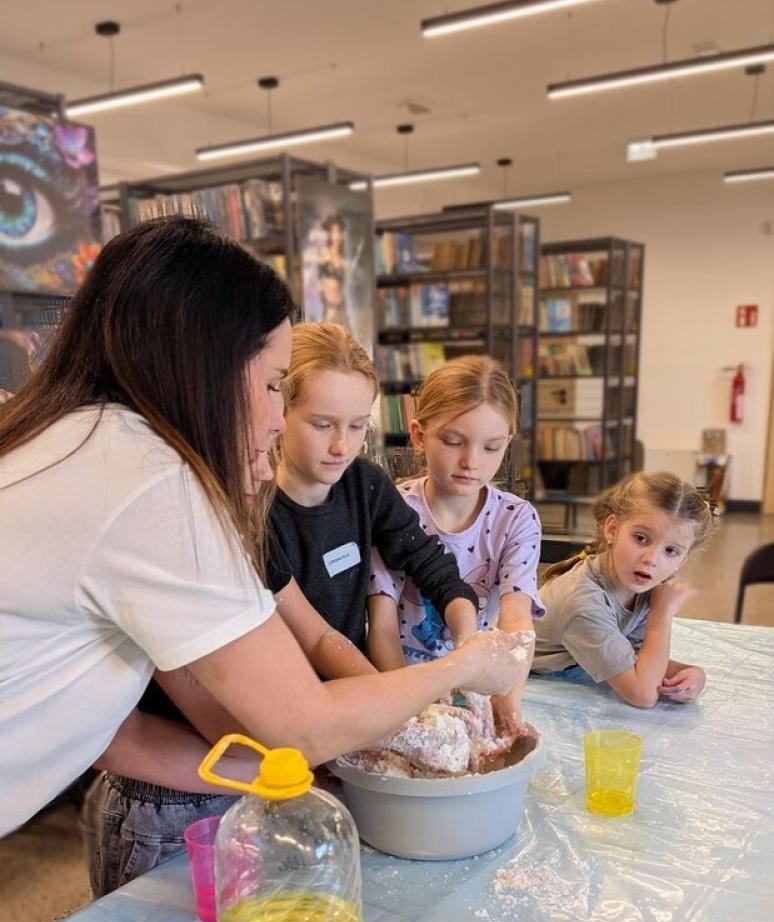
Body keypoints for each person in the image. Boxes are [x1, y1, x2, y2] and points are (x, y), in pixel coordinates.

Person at [0, 216, 527, 841]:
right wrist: (463, 667)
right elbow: (304, 721)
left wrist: (281, 773)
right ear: (209, 367)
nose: (278, 419)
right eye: (275, 385)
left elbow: (112, 728)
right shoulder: (149, 483)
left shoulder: (78, 440)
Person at [269, 322, 482, 656]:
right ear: (279, 412)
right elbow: (314, 642)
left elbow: (429, 562)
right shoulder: (261, 512)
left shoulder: (365, 483)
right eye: (322, 425)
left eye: (358, 426)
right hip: (290, 677)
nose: (342, 446)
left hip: (355, 671)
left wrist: (467, 637)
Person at [367, 355, 544, 733]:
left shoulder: (515, 519)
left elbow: (516, 623)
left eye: (491, 447)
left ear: (508, 442)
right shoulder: (391, 511)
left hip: (473, 685)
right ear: (419, 435)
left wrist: (506, 701)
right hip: (400, 680)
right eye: (452, 441)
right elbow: (381, 628)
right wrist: (410, 711)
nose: (471, 462)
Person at [531, 471, 714, 707]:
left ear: (683, 559)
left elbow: (636, 656)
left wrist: (691, 673)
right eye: (641, 538)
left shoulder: (643, 585)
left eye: (670, 551)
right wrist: (662, 615)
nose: (651, 559)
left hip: (569, 670)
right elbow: (643, 695)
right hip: (523, 685)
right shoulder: (582, 604)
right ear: (612, 529)